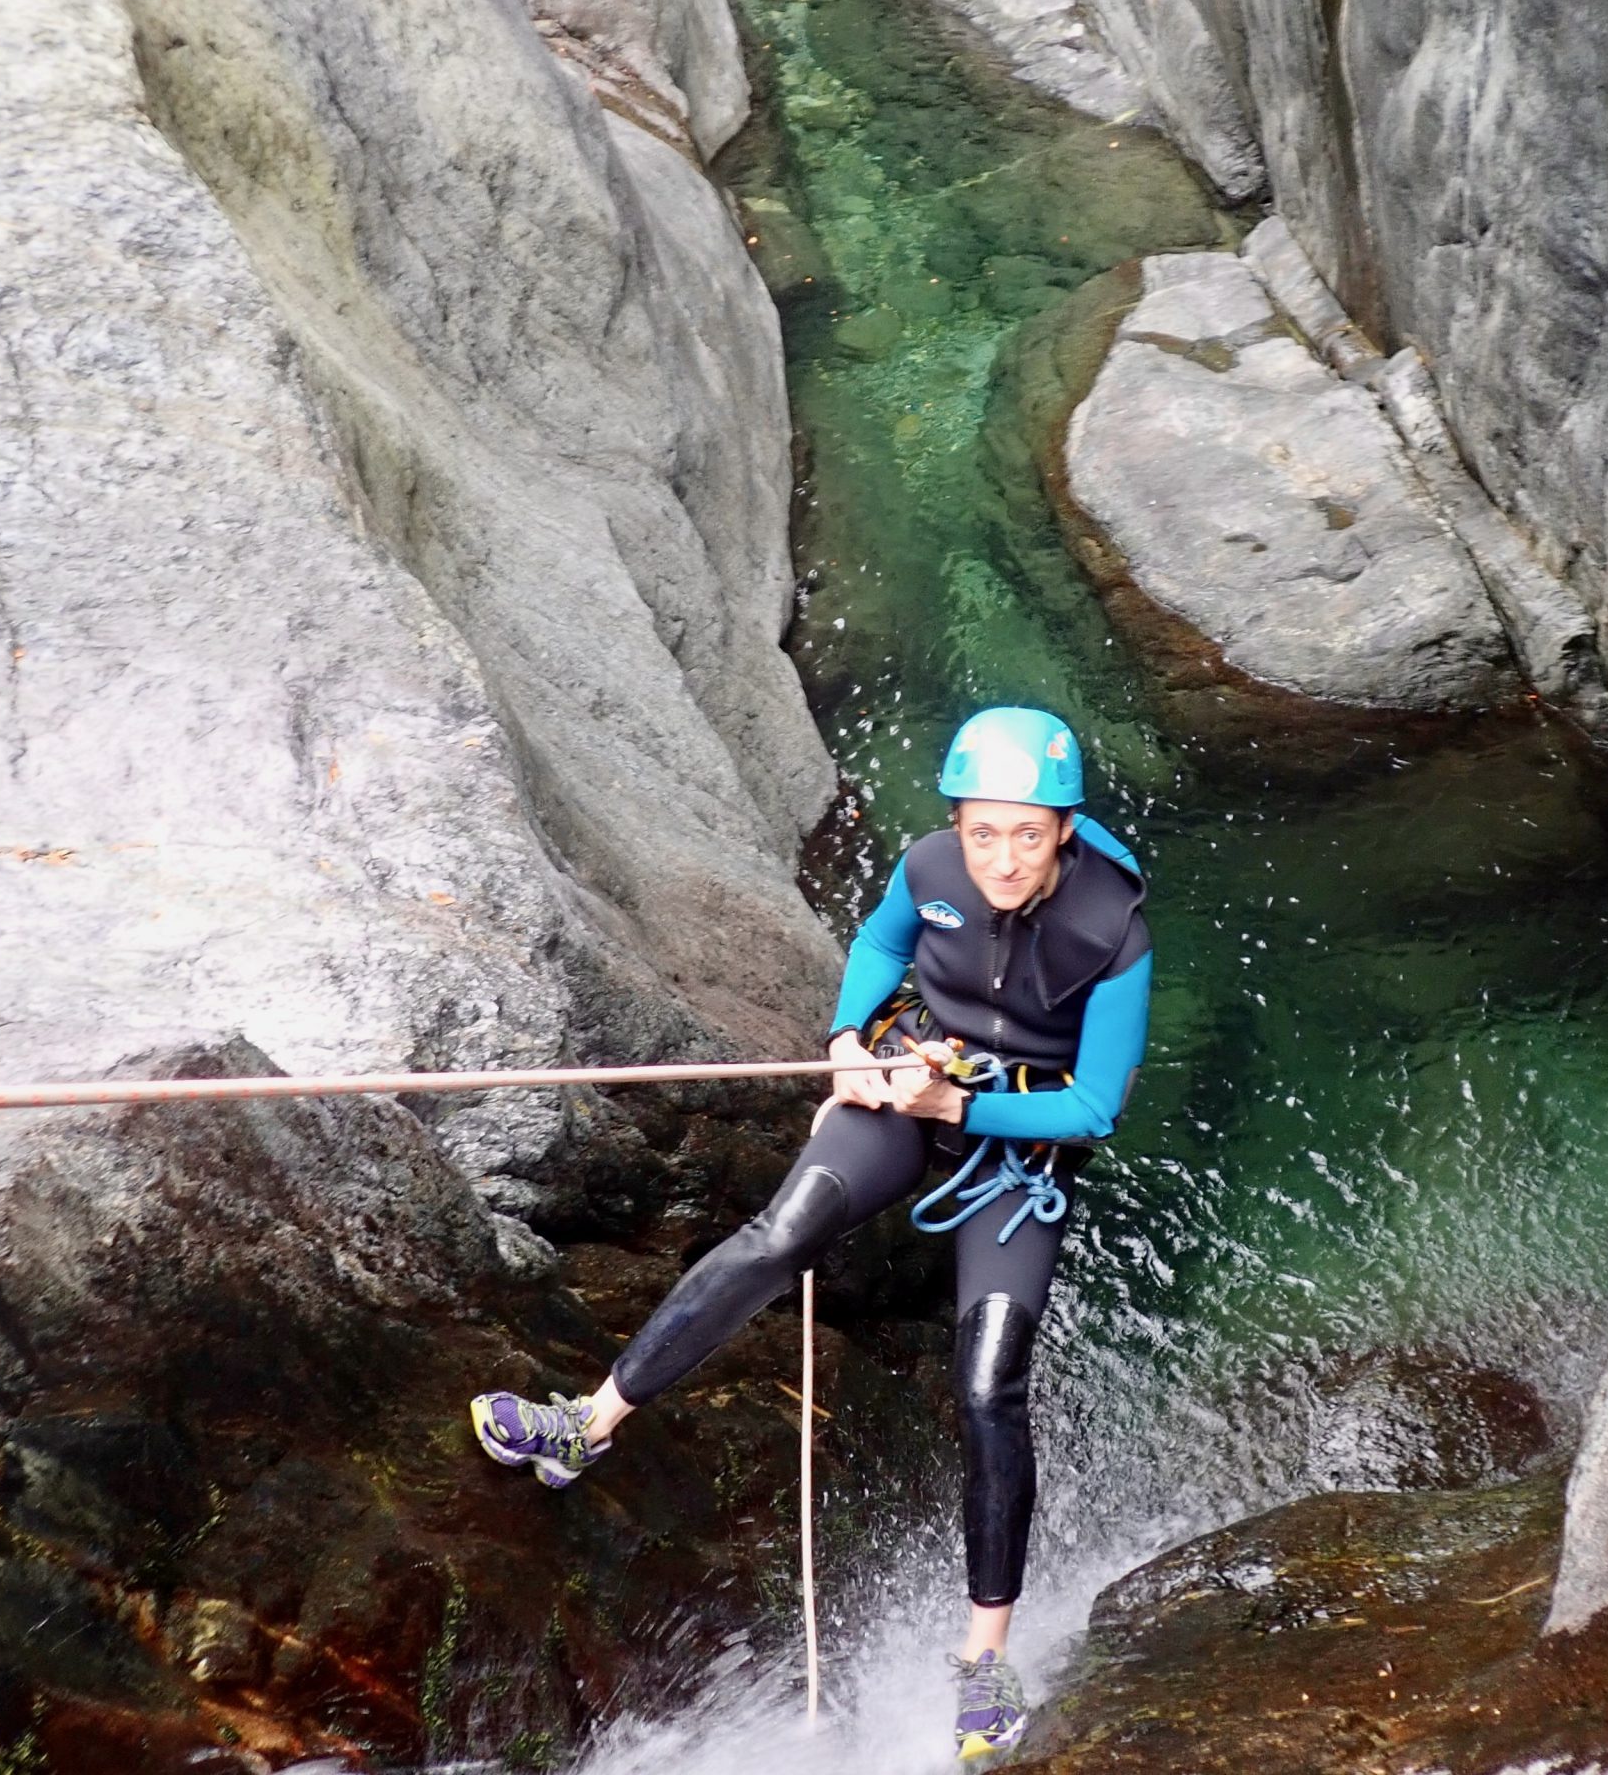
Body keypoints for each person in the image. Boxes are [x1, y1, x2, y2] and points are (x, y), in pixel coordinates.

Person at [469, 706, 1152, 1761]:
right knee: (777, 1234)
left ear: (1064, 826)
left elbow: (1096, 1106)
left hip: (1015, 1143)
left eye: (1029, 833)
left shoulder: (1113, 928)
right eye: (985, 832)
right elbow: (883, 943)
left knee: (988, 1385)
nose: (1004, 857)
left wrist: (960, 1113)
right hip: (910, 1081)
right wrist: (846, 1041)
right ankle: (586, 1426)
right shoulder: (929, 866)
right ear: (959, 824)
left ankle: (984, 1663)